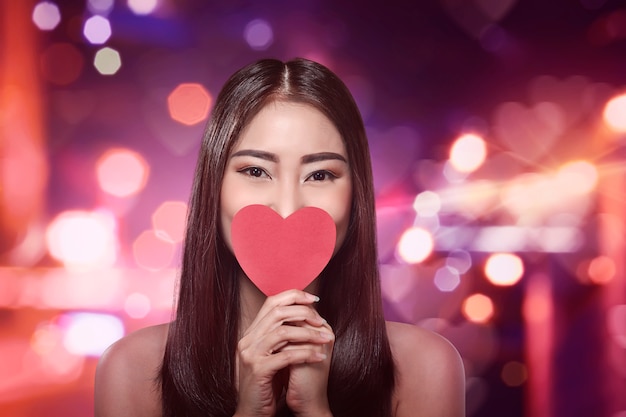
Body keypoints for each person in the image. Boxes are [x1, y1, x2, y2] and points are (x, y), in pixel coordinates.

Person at [94, 57, 465, 417]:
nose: (287, 208)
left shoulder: (424, 368)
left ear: (356, 196)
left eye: (319, 175)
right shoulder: (133, 371)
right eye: (256, 171)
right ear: (214, 187)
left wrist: (316, 411)